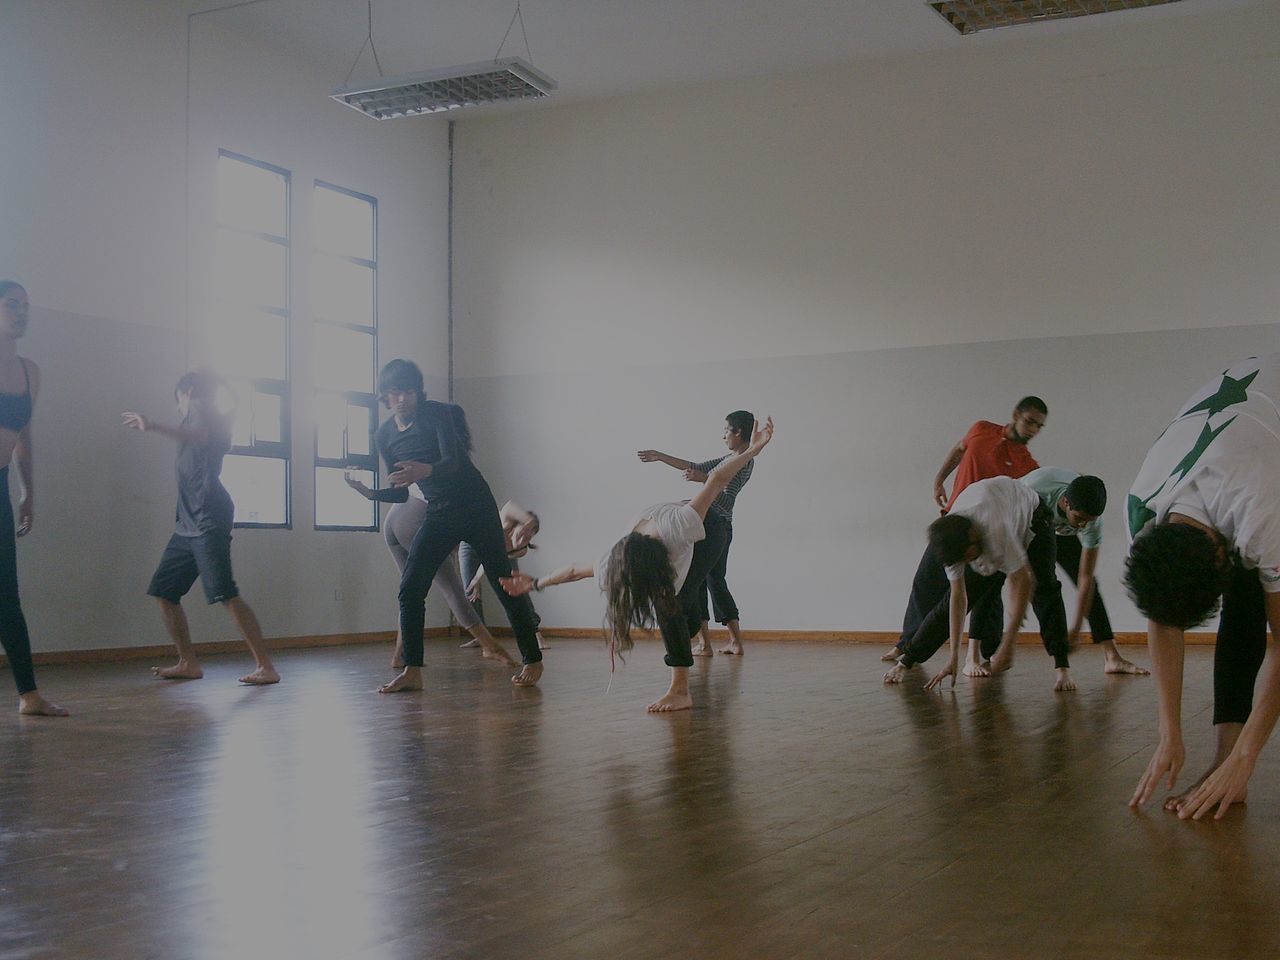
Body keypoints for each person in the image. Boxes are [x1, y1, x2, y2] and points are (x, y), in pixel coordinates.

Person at [502, 417, 773, 713]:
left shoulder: (679, 527)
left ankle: (680, 690)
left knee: (671, 605)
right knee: (682, 613)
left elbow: (717, 480)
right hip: (670, 529)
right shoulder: (614, 559)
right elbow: (574, 570)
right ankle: (691, 629)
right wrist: (536, 583)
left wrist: (753, 451)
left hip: (712, 531)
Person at [1127, 354, 1280, 820]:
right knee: (1248, 592)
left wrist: (1247, 759)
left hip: (1261, 439)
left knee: (1251, 595)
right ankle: (1223, 764)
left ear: (1221, 557)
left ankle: (1231, 763)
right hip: (1247, 433)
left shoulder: (1260, 510)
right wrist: (1168, 731)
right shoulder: (1143, 512)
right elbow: (1162, 616)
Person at [366, 359, 542, 693]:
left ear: (417, 393)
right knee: (410, 588)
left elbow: (454, 463)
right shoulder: (384, 434)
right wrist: (368, 492)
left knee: (504, 581)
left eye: (408, 391)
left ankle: (533, 659)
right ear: (385, 398)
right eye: (395, 393)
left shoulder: (438, 414)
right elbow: (400, 491)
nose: (402, 398)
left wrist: (425, 471)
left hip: (475, 505)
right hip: (440, 512)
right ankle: (412, 670)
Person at [123, 370, 279, 685]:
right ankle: (187, 662)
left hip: (208, 518)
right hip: (187, 522)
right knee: (164, 591)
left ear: (188, 392)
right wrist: (222, 381)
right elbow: (220, 416)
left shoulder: (201, 409)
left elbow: (201, 435)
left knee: (225, 593)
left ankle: (267, 666)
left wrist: (153, 424)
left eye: (179, 401)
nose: (179, 409)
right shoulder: (214, 414)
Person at [883, 474, 1089, 693]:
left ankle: (1062, 667)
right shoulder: (952, 543)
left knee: (1045, 588)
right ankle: (907, 659)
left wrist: (1009, 643)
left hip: (1033, 515)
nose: (971, 562)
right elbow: (957, 599)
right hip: (997, 509)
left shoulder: (995, 531)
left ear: (973, 536)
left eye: (970, 556)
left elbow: (1022, 582)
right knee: (964, 595)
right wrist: (953, 657)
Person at [883, 396, 1048, 663]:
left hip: (990, 534)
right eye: (1029, 421)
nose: (1032, 429)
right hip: (954, 524)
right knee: (926, 581)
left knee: (987, 594)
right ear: (1016, 414)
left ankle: (988, 653)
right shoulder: (981, 429)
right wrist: (939, 481)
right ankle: (906, 644)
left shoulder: (1028, 465)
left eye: (1038, 426)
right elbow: (958, 451)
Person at [344, 479, 518, 668]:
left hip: (394, 521)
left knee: (411, 594)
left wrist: (370, 493)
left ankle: (400, 655)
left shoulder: (429, 462)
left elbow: (404, 493)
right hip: (414, 524)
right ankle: (490, 646)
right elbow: (461, 518)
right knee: (452, 589)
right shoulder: (458, 473)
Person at [637, 409, 756, 656]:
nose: (723, 436)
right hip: (704, 525)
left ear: (739, 432)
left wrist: (703, 480)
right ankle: (706, 643)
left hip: (717, 528)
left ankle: (731, 641)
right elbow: (693, 466)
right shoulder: (727, 459)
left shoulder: (744, 462)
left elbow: (726, 501)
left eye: (726, 431)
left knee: (713, 581)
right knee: (701, 581)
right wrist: (660, 456)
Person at [0, 282, 67, 716]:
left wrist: (29, 492)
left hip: (1, 484)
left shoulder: (30, 371)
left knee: (7, 597)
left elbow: (24, 436)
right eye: (12, 304)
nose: (22, 312)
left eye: (26, 306)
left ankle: (29, 695)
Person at [1020, 467, 1147, 676]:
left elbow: (1085, 576)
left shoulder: (1091, 522)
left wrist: (1077, 628)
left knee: (1090, 587)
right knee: (1045, 586)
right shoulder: (1035, 490)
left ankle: (1112, 657)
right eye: (1079, 518)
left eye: (1088, 521)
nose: (1082, 525)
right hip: (1029, 523)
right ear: (1066, 503)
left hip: (1059, 530)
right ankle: (977, 655)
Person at [459, 498, 549, 650]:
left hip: (491, 552)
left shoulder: (521, 550)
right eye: (524, 531)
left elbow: (489, 558)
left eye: (529, 537)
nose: (523, 539)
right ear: (517, 524)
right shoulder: (504, 522)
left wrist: (478, 578)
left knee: (516, 588)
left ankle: (535, 632)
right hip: (469, 545)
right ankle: (481, 637)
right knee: (470, 590)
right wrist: (475, 581)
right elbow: (509, 505)